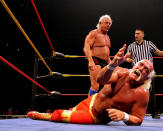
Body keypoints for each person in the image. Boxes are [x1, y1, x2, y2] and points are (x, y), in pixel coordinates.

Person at [27, 44, 155, 125]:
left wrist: (124, 116)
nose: (142, 69)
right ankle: (58, 114)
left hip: (96, 116)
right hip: (92, 100)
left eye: (146, 70)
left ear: (146, 78)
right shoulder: (121, 72)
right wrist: (113, 64)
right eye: (141, 64)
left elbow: (138, 119)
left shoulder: (142, 94)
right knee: (71, 111)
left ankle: (45, 116)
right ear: (135, 65)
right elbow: (101, 80)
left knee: (62, 116)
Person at [83, 14, 112, 96]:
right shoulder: (94, 33)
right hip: (95, 60)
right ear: (100, 23)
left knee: (109, 85)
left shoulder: (107, 37)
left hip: (105, 62)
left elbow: (106, 53)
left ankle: (100, 106)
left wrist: (111, 64)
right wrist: (90, 61)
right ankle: (89, 107)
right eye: (106, 23)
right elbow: (86, 47)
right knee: (95, 85)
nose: (108, 25)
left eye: (109, 23)